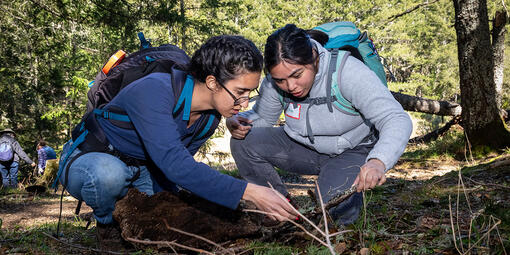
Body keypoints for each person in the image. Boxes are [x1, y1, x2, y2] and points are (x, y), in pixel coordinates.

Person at [58, 35, 298, 248]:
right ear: (213, 82)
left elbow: (180, 167)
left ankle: (124, 207)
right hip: (92, 157)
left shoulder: (209, 118)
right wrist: (250, 191)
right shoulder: (154, 90)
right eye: (240, 92)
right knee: (108, 175)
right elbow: (175, 165)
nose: (245, 103)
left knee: (172, 215)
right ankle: (106, 225)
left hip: (145, 168)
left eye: (250, 93)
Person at [227, 24, 413, 226]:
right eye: (281, 80)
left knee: (329, 215)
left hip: (354, 150)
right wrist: (238, 122)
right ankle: (279, 209)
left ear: (314, 59)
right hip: (303, 148)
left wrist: (378, 161)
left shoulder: (347, 72)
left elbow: (395, 118)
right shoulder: (274, 81)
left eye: (297, 75)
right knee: (244, 142)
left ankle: (342, 195)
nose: (290, 86)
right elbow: (262, 118)